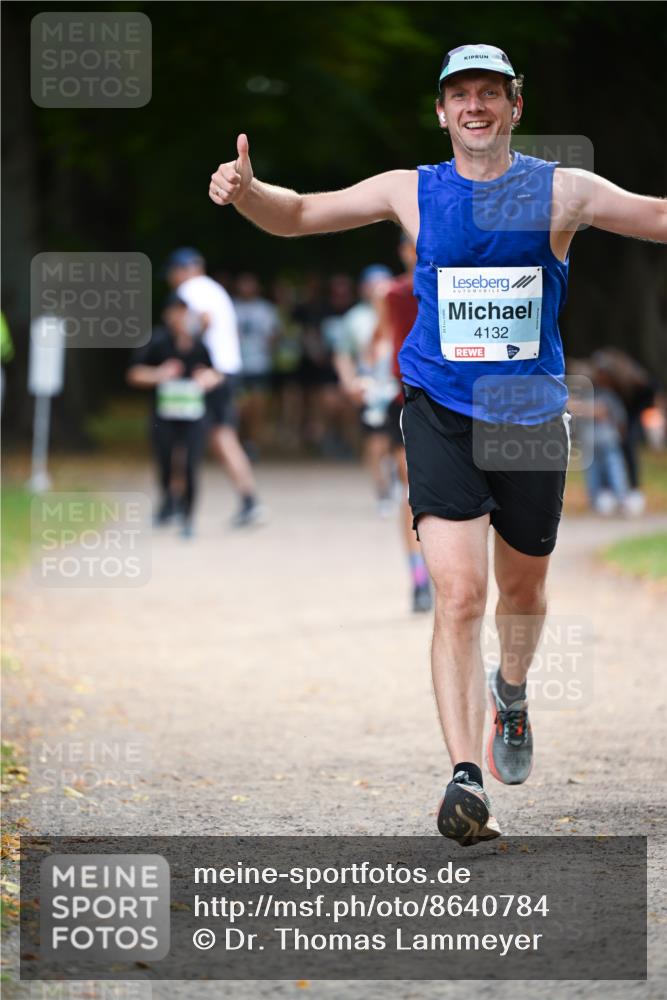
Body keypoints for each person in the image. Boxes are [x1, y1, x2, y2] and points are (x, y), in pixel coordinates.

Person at [208, 42, 667, 844]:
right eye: (461, 95)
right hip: (440, 410)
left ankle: (511, 696)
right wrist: (247, 193)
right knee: (457, 594)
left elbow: (657, 217)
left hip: (526, 417)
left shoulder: (562, 191)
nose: (476, 107)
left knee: (521, 594)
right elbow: (300, 214)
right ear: (442, 110)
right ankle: (463, 777)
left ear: (515, 106)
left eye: (491, 93)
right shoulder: (409, 191)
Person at [164, 248, 266, 527]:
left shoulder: (191, 290)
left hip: (209, 372)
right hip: (227, 370)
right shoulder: (215, 289)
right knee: (222, 436)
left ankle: (173, 503)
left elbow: (203, 320)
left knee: (186, 435)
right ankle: (248, 500)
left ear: (181, 270)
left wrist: (188, 345)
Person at [127, 294, 221, 537]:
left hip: (194, 416)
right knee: (166, 461)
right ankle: (168, 502)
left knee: (190, 465)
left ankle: (188, 516)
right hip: (164, 415)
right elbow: (134, 374)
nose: (180, 317)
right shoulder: (157, 342)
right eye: (176, 311)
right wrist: (159, 374)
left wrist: (206, 379)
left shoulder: (201, 344)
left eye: (185, 312)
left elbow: (217, 374)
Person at [373, 236, 432, 612]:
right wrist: (373, 375)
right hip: (405, 396)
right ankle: (419, 578)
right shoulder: (392, 292)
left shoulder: (449, 284)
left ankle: (444, 572)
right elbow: (380, 339)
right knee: (412, 488)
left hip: (447, 396)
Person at [334, 264, 397, 515]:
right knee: (375, 442)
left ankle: (400, 486)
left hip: (400, 386)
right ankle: (382, 490)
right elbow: (343, 354)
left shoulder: (405, 307)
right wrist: (349, 383)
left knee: (402, 444)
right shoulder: (355, 317)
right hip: (372, 389)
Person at [233, 272, 281, 459]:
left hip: (260, 365)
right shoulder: (232, 307)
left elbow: (275, 335)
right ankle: (238, 443)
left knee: (258, 408)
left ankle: (254, 445)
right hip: (238, 366)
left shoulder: (266, 309)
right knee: (239, 408)